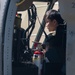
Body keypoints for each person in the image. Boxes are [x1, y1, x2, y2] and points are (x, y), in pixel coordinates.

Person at [42, 9, 66, 75]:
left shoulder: (55, 38)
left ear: (54, 22)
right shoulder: (64, 35)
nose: (46, 25)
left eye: (47, 22)